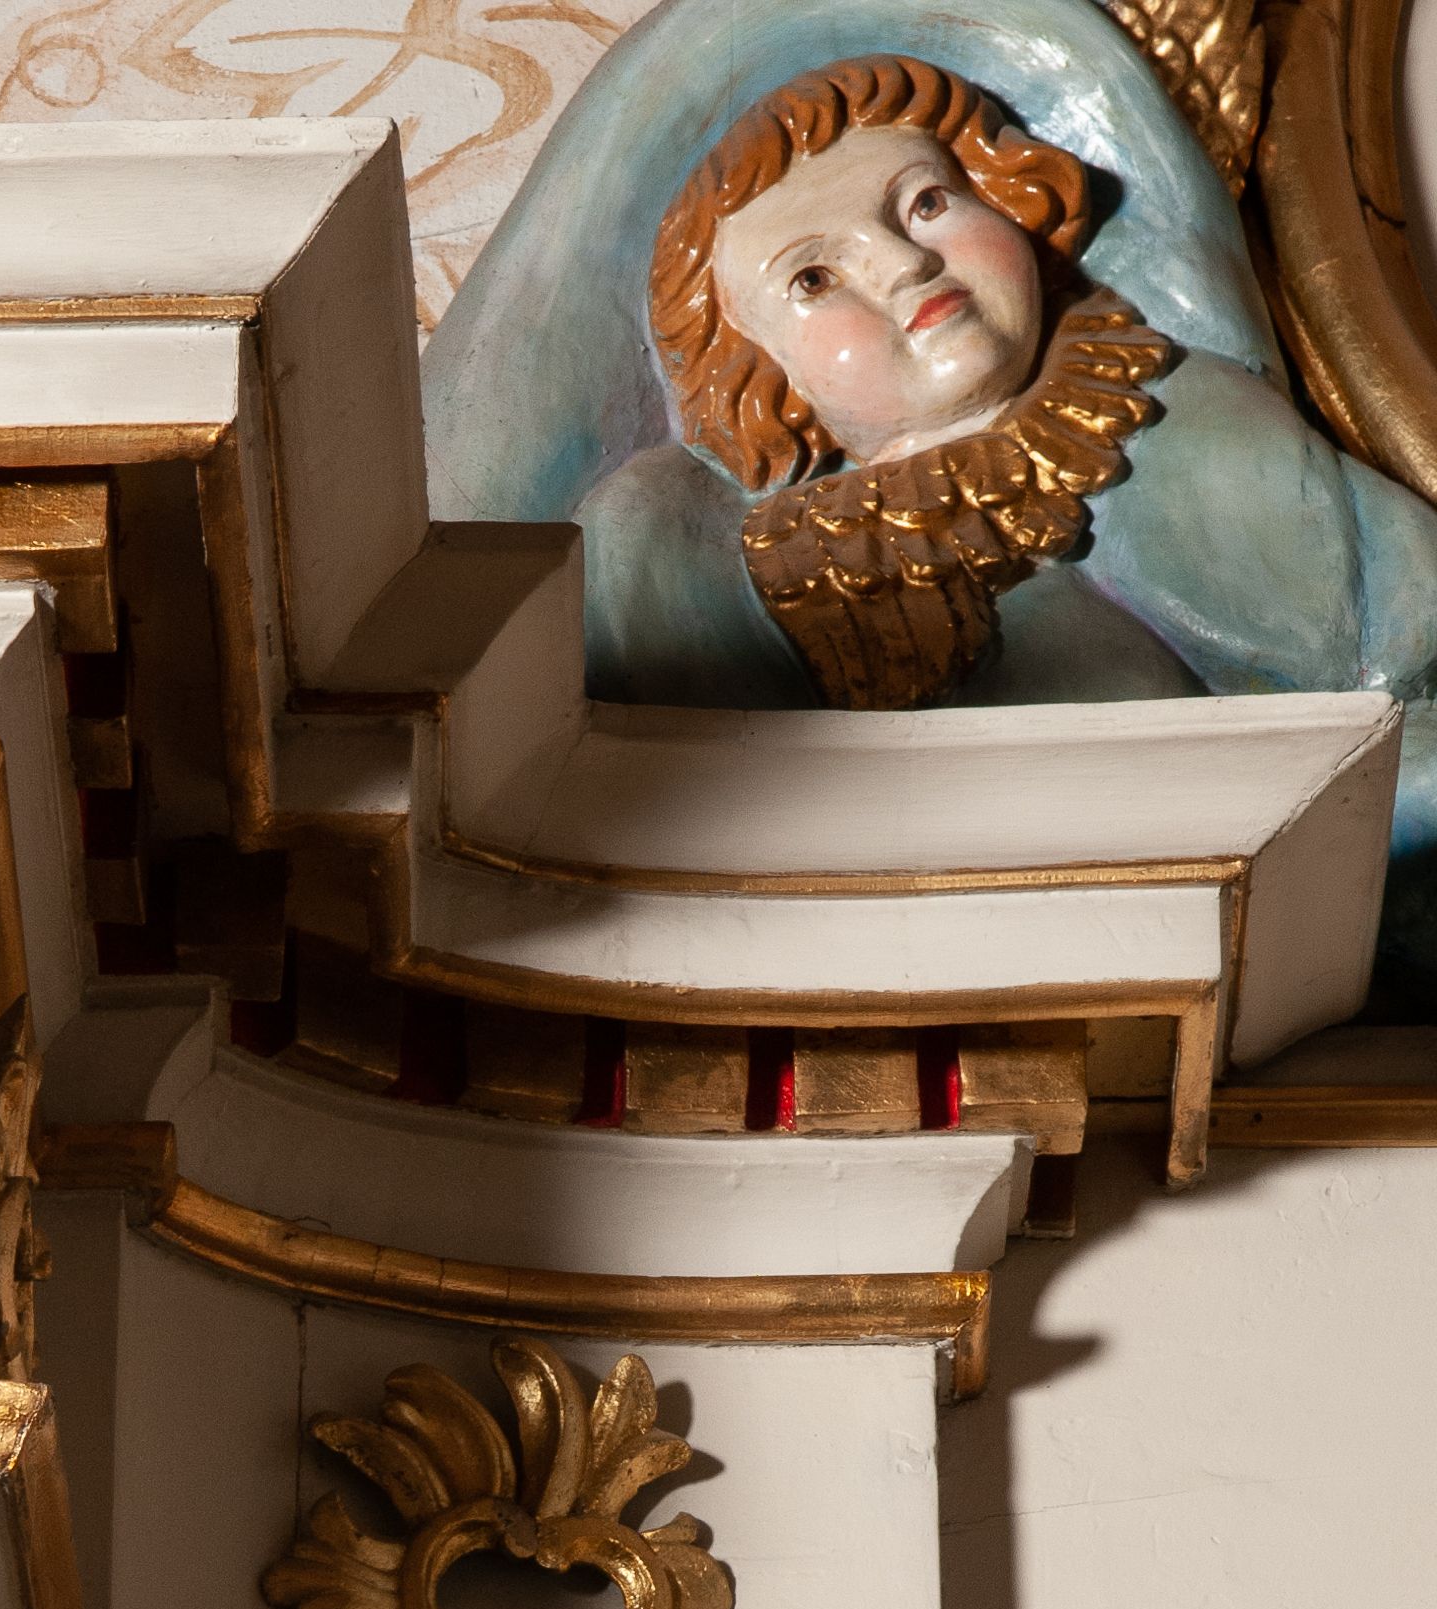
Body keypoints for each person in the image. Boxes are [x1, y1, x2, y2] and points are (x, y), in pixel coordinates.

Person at [423, 2, 1437, 999]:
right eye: (814, 278)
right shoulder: (702, 560)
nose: (905, 263)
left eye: (925, 203)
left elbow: (1400, 658)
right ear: (760, 376)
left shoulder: (1180, 415)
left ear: (1013, 196)